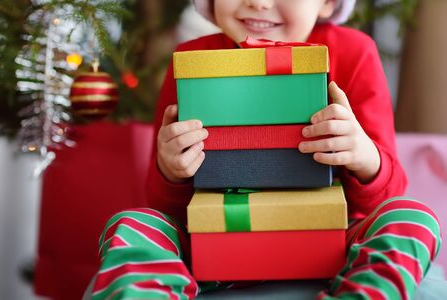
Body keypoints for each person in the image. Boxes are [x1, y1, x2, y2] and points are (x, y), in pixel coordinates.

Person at [91, 1, 442, 299]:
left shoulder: (354, 53)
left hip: (330, 243)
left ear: (328, 3)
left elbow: (388, 192)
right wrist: (171, 169)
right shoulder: (192, 61)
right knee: (132, 224)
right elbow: (162, 202)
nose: (258, 2)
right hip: (211, 243)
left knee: (413, 218)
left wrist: (365, 157)